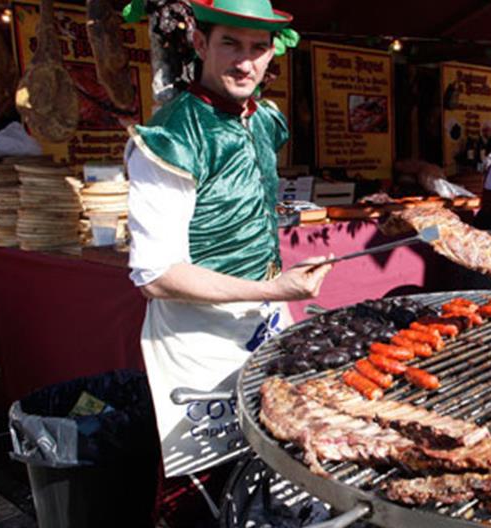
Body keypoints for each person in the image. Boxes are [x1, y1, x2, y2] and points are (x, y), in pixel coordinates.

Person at [125, 0, 331, 479]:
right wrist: (273, 291)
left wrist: (273, 290)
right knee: (206, 486)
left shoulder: (260, 119)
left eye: (258, 48)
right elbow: (156, 276)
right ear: (200, 43)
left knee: (278, 464)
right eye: (230, 44)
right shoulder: (171, 134)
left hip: (264, 318)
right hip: (197, 333)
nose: (245, 61)